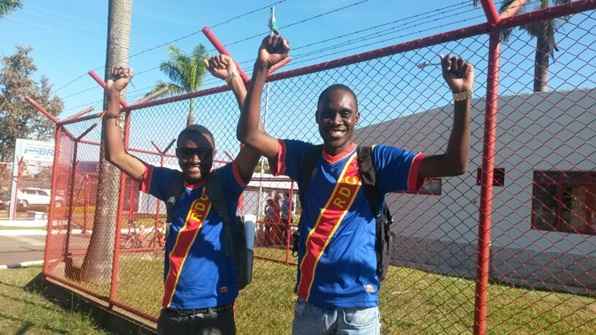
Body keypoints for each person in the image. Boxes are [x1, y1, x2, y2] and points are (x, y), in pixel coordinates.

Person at [237, 34, 474, 335]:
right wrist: (261, 68)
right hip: (311, 305)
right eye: (328, 114)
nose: (335, 120)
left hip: (360, 310)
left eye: (344, 114)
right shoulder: (305, 158)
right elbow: (249, 134)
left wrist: (462, 98)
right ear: (317, 118)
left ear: (357, 118)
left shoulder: (377, 161)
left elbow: (455, 164)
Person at [103, 54, 258, 335]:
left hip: (216, 314)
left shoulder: (225, 182)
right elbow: (115, 154)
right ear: (177, 155)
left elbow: (253, 140)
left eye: (202, 152)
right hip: (173, 312)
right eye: (187, 151)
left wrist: (235, 80)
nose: (194, 158)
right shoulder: (169, 183)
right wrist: (113, 94)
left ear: (212, 156)